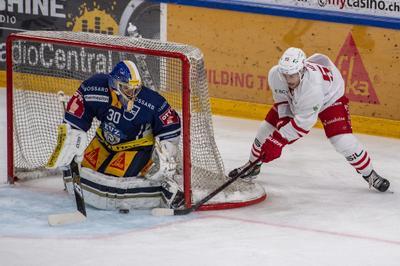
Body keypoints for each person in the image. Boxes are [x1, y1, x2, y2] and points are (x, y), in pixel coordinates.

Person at [229, 47, 390, 192]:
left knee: (342, 140)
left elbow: (302, 124)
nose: (287, 79)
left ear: (302, 71)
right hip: (300, 98)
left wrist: (277, 142)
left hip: (330, 98)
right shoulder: (276, 74)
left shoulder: (313, 87)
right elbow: (282, 101)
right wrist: (282, 122)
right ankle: (252, 166)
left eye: (291, 75)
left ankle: (370, 174)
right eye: (285, 75)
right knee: (266, 128)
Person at [47, 60, 185, 210]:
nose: (132, 94)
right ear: (114, 84)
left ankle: (164, 189)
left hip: (134, 147)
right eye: (126, 88)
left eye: (135, 89)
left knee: (113, 183)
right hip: (103, 141)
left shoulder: (151, 101)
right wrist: (72, 135)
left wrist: (166, 152)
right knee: (82, 172)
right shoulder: (94, 87)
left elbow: (171, 125)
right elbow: (77, 112)